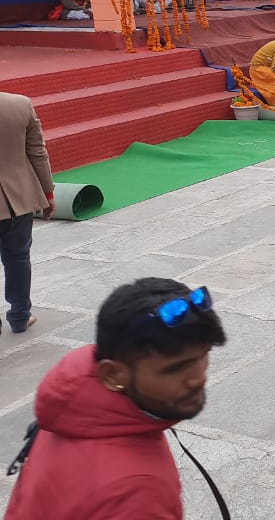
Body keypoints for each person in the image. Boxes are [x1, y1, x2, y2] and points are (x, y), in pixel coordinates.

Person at [5, 278, 226, 519]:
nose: (198, 378)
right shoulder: (139, 493)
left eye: (203, 355)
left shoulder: (73, 406)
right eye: (174, 369)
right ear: (112, 375)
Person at [0, 92, 53, 336]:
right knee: (18, 257)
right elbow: (38, 152)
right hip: (17, 199)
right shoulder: (20, 104)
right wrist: (48, 192)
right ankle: (20, 315)